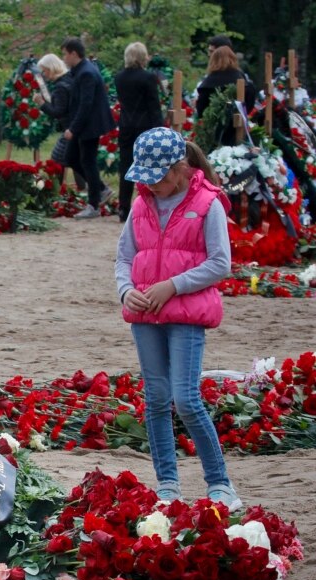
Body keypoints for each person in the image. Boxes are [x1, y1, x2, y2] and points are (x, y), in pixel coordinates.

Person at [114, 127, 241, 511]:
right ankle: (167, 485)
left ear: (181, 168)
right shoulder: (140, 205)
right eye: (147, 180)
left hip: (186, 315)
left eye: (160, 179)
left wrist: (173, 285)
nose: (153, 186)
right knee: (155, 399)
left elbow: (221, 264)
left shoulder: (207, 204)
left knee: (186, 399)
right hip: (145, 317)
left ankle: (221, 485)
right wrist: (126, 290)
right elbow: (123, 258)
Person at [60, 37, 116, 219]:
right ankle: (100, 188)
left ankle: (94, 204)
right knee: (71, 158)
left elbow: (86, 104)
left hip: (89, 125)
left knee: (87, 161)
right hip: (85, 125)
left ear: (74, 54)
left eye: (65, 55)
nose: (64, 59)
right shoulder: (81, 71)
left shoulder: (86, 73)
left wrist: (73, 129)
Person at [114, 42, 163, 222]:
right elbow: (153, 107)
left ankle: (123, 207)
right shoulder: (148, 78)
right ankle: (150, 205)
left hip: (126, 125)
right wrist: (160, 130)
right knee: (149, 167)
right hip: (146, 126)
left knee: (126, 166)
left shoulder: (119, 77)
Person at [33, 53, 85, 191]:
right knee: (73, 159)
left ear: (51, 68)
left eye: (44, 70)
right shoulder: (67, 80)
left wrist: (41, 103)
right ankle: (84, 188)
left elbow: (58, 112)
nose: (43, 74)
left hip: (70, 128)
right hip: (75, 127)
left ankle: (56, 190)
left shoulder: (60, 87)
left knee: (58, 158)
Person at [195, 46, 256, 146]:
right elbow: (249, 106)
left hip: (213, 134)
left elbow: (201, 111)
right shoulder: (242, 80)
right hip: (238, 131)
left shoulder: (208, 84)